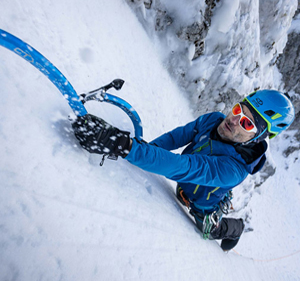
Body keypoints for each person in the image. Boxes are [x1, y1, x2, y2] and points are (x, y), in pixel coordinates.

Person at [72, 89, 295, 251]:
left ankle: (235, 228)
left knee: (209, 231)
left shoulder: (234, 169)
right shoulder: (213, 120)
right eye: (238, 109)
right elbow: (177, 136)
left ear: (255, 138)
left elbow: (184, 167)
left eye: (247, 124)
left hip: (202, 203)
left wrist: (124, 146)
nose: (234, 120)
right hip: (188, 179)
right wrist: (148, 149)